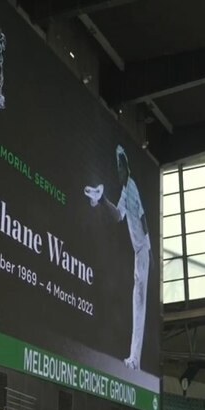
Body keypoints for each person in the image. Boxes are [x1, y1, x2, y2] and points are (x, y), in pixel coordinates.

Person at [84, 145, 150, 370]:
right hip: (138, 253)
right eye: (117, 169)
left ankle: (135, 361)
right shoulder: (125, 191)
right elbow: (117, 216)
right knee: (136, 303)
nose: (119, 173)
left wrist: (148, 247)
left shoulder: (133, 189)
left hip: (143, 253)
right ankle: (134, 360)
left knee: (139, 306)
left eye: (121, 168)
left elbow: (142, 218)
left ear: (127, 169)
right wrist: (102, 200)